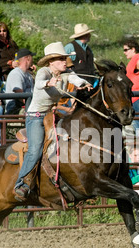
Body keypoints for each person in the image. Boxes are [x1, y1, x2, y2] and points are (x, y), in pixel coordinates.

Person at [13, 42, 92, 200]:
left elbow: (76, 79)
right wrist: (48, 83)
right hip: (35, 117)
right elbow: (40, 83)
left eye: (65, 58)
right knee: (35, 149)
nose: (65, 61)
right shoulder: (44, 72)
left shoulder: (66, 73)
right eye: (61, 58)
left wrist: (84, 84)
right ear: (51, 62)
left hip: (52, 115)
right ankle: (20, 183)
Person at [4, 48, 35, 115]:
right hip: (15, 108)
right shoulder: (16, 73)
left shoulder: (28, 75)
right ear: (28, 58)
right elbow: (20, 96)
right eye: (31, 57)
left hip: (27, 106)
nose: (33, 59)